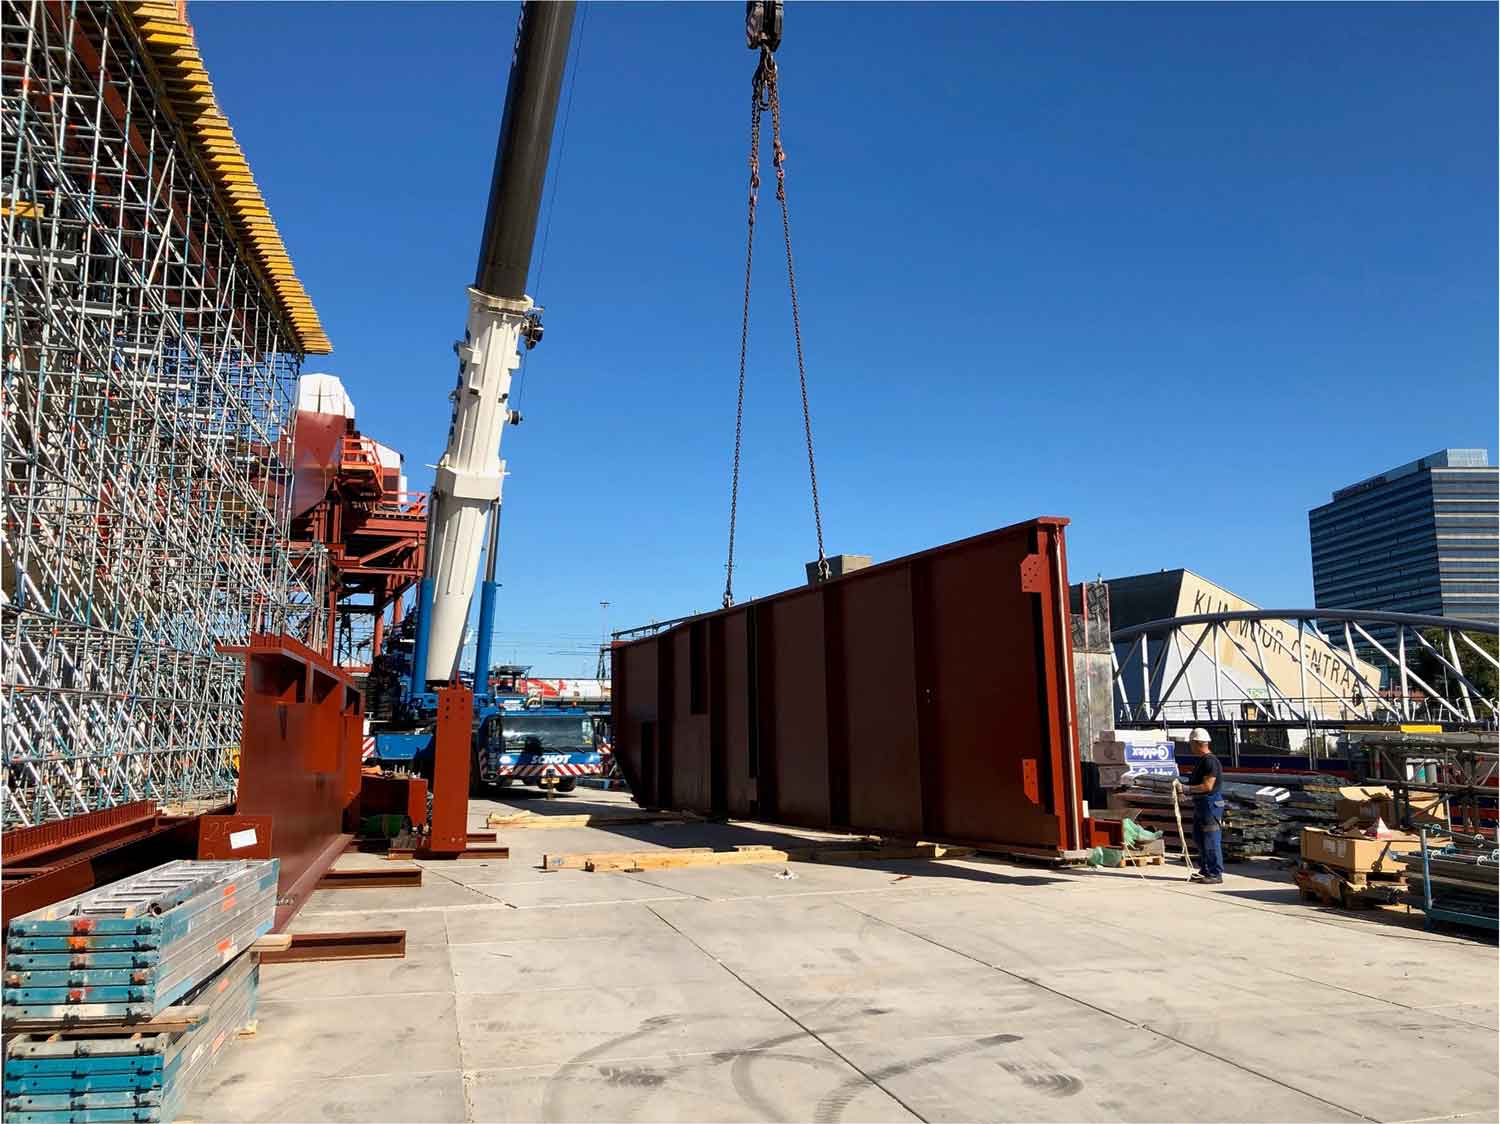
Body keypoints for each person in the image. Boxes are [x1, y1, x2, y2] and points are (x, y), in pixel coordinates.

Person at [1177, 727, 1225, 884]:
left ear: (1197, 743)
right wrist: (1186, 790)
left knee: (1211, 840)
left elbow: (1207, 786)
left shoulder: (1210, 761)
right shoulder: (1202, 761)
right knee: (1199, 838)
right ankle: (1205, 870)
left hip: (1210, 805)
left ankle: (1215, 873)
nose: (1190, 746)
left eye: (1191, 743)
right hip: (1202, 805)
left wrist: (1187, 789)